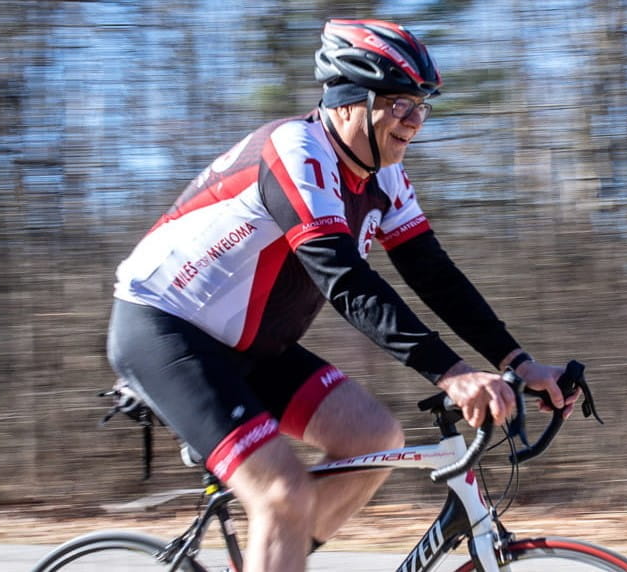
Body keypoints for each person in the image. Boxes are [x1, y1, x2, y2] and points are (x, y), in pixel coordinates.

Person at [106, 18, 575, 572]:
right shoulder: (296, 151)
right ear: (350, 101)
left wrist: (515, 359)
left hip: (252, 346)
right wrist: (450, 374)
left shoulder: (384, 174)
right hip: (167, 331)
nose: (414, 123)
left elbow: (433, 274)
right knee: (282, 495)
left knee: (374, 438)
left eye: (422, 108)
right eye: (401, 105)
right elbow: (345, 280)